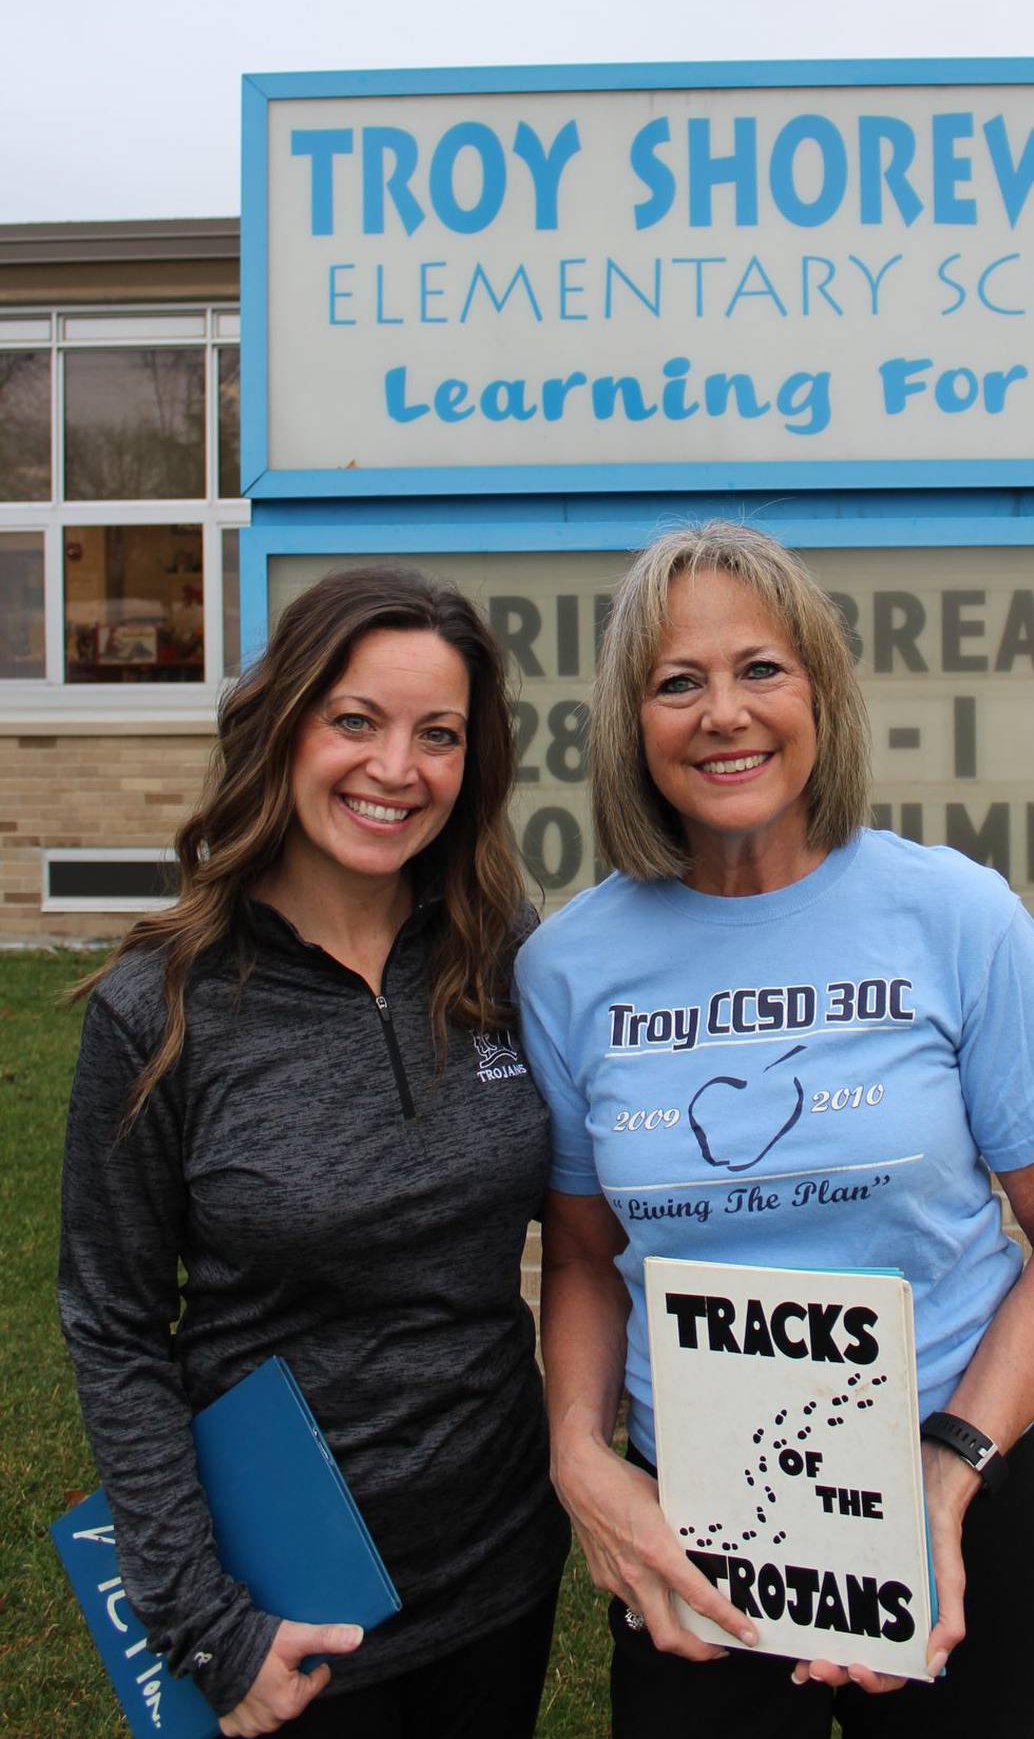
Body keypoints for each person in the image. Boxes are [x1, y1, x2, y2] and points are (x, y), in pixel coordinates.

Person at [516, 523, 1034, 1739]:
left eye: (760, 670)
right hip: (699, 1521)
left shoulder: (953, 914)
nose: (722, 713)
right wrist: (581, 1455)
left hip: (962, 1480)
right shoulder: (568, 964)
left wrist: (949, 1474)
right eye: (676, 681)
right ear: (631, 724)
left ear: (821, 695)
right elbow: (584, 1257)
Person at [59, 566, 569, 1738]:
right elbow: (112, 1321)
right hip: (285, 1591)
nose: (398, 769)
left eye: (438, 735)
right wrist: (201, 1616)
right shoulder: (162, 1007)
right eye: (356, 721)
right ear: (282, 725)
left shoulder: (508, 962)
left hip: (498, 1562)